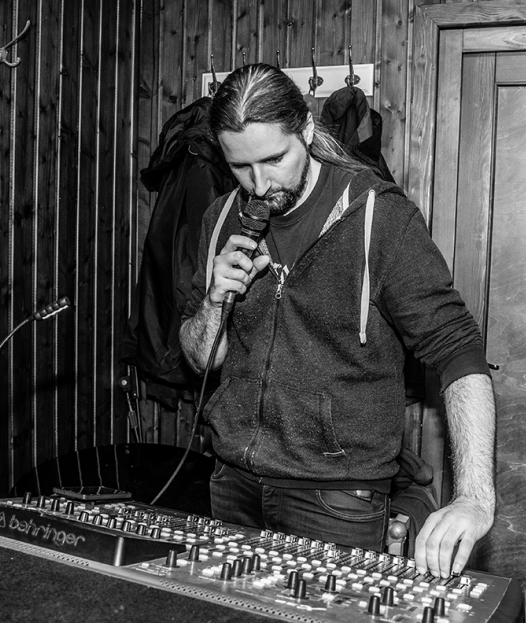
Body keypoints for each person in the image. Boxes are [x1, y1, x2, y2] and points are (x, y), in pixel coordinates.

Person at [179, 63, 496, 579]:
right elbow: (200, 359)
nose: (260, 183)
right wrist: (215, 300)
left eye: (274, 159)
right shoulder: (221, 217)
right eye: (240, 166)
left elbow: (458, 353)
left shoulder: (378, 216)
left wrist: (475, 498)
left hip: (336, 499)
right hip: (232, 482)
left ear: (306, 130)